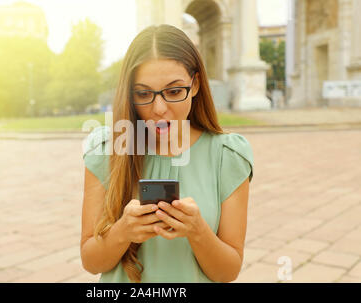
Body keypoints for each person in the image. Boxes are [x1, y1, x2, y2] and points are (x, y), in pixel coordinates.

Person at [81, 24, 254, 283]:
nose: (159, 108)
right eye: (143, 93)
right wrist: (122, 232)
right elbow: (91, 262)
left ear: (194, 85)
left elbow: (227, 272)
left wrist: (198, 232)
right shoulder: (107, 150)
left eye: (174, 91)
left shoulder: (227, 155)